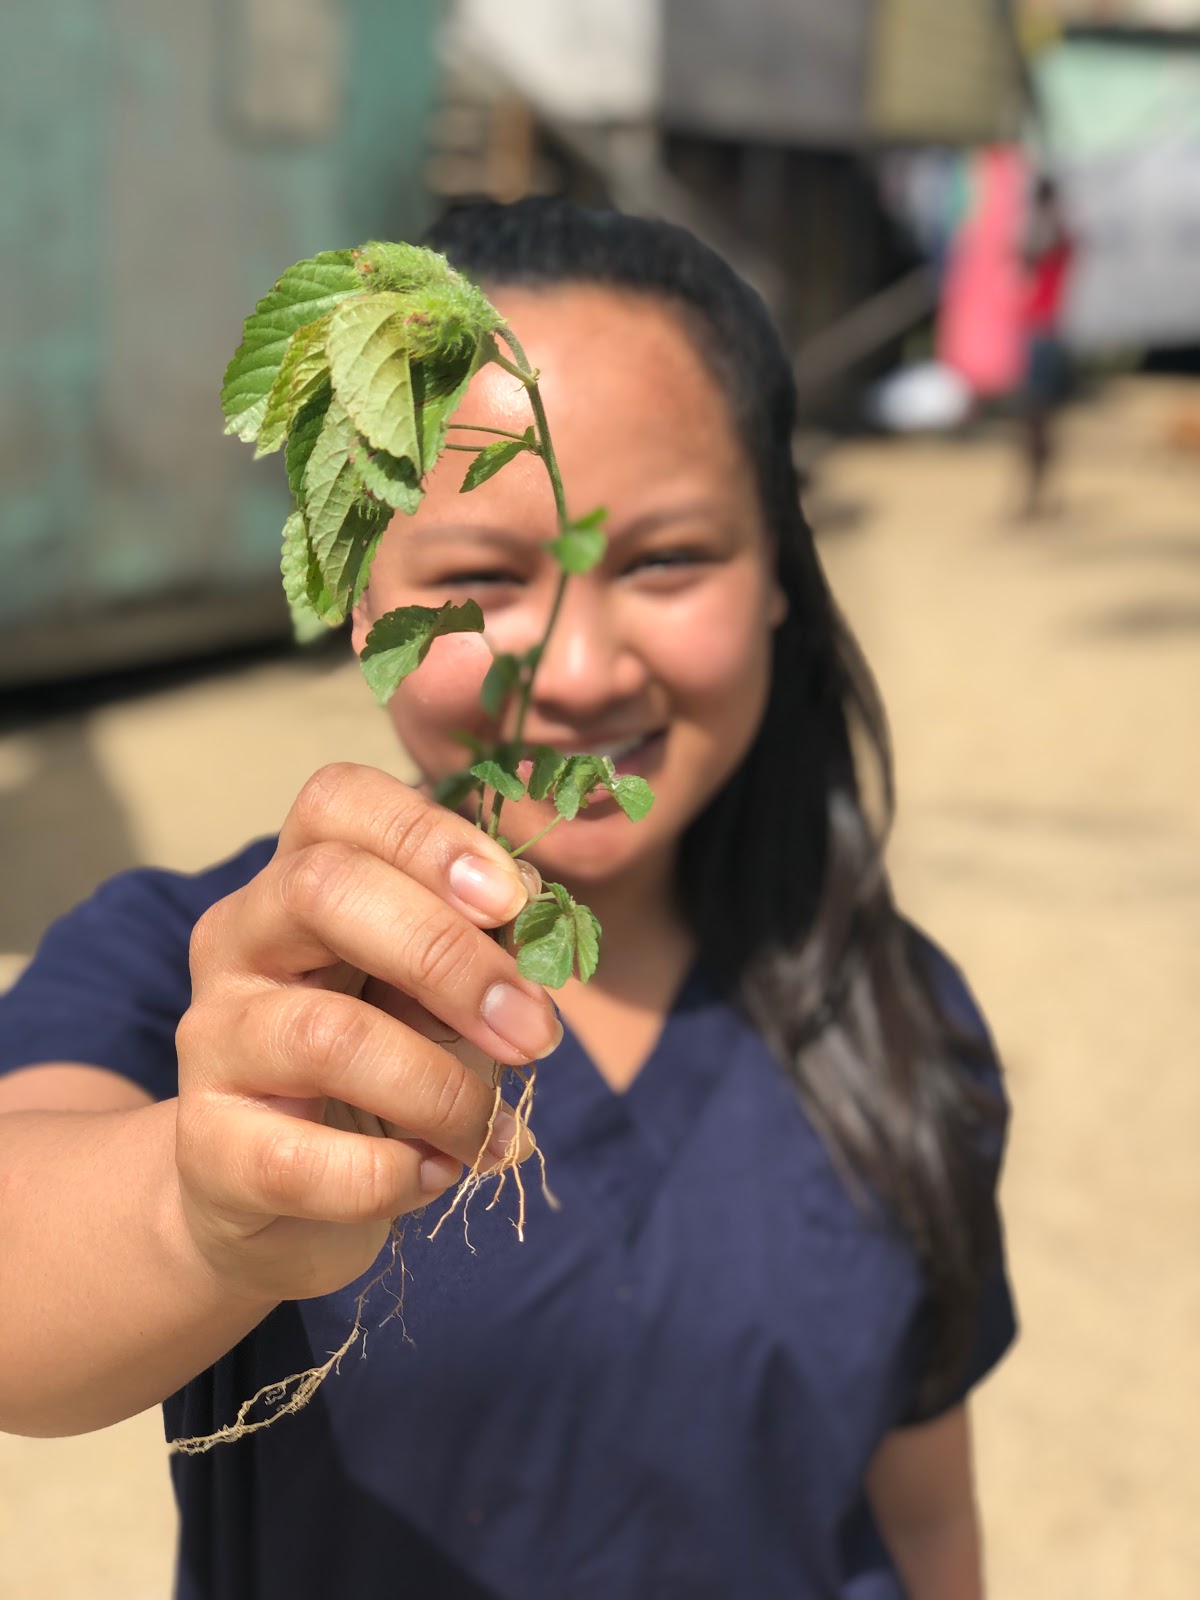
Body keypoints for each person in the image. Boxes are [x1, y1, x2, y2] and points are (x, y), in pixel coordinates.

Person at [0, 198, 1015, 1599]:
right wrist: (204, 1206)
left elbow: (925, 1521)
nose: (583, 667)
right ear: (362, 603)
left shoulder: (900, 1013)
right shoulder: (208, 966)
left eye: (664, 559)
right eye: (479, 579)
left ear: (782, 569)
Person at [1018, 174, 1075, 519]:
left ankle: (1037, 497)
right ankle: (1038, 495)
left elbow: (1029, 252)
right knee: (1037, 422)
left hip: (1042, 334)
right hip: (1042, 333)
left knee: (1035, 420)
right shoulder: (1058, 233)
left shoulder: (1052, 233)